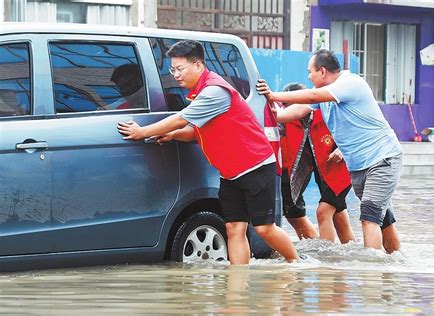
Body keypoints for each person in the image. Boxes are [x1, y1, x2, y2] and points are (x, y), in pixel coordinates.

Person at [117, 40, 299, 264]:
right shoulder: (199, 92)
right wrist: (173, 135)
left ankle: (296, 265)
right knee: (233, 228)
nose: (175, 75)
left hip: (255, 166)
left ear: (198, 65)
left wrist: (142, 132)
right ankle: (238, 283)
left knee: (264, 228)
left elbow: (181, 119)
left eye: (180, 69)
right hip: (230, 171)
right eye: (172, 69)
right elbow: (195, 131)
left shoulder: (214, 92)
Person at [257, 49, 402, 253]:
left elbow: (312, 95)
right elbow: (298, 110)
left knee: (369, 217)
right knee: (382, 217)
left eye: (310, 71)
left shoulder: (350, 83)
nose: (309, 76)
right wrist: (272, 114)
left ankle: (372, 275)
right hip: (360, 166)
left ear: (323, 71)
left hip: (382, 159)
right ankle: (396, 261)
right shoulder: (323, 98)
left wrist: (273, 94)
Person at [279, 82, 355, 243]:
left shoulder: (328, 114)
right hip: (317, 171)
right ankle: (349, 253)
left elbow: (353, 132)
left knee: (323, 212)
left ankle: (327, 258)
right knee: (338, 213)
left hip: (339, 172)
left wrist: (341, 149)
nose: (288, 110)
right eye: (285, 106)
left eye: (290, 105)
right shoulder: (286, 120)